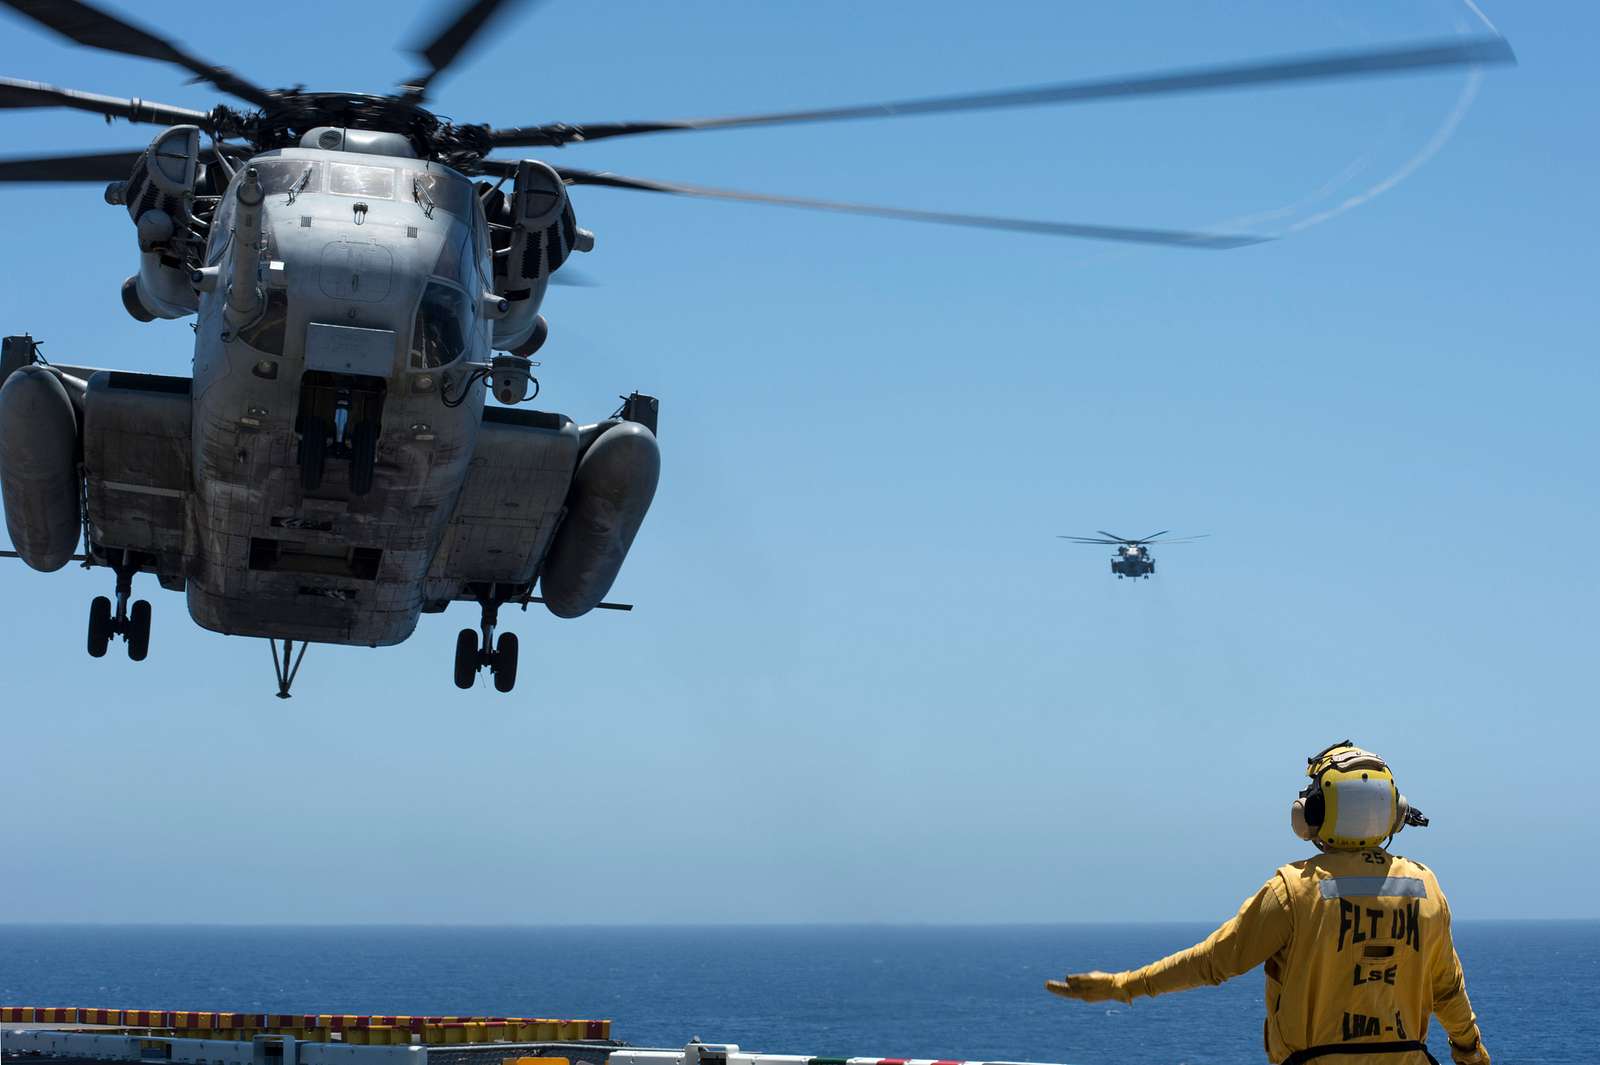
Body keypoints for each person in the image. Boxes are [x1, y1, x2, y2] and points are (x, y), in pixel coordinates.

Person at [1046, 741, 1489, 1065]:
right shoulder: (1424, 886)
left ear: (1313, 815)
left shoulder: (1294, 890)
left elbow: (1213, 962)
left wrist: (1124, 984)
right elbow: (1447, 991)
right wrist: (1471, 1053)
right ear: (1394, 812)